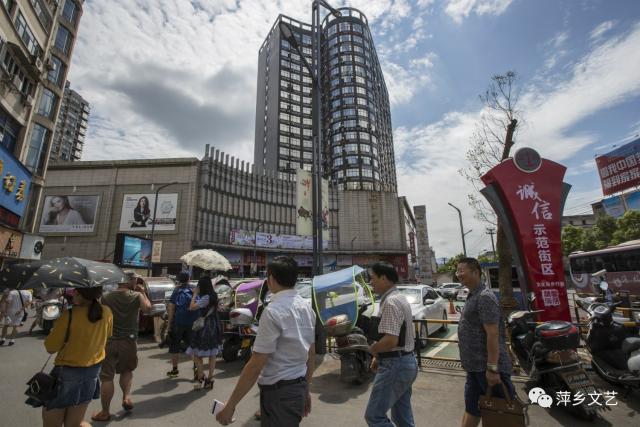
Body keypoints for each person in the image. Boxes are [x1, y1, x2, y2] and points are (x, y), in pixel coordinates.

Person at [217, 256, 315, 426]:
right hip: (296, 388)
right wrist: (305, 388)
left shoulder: (273, 311)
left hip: (280, 394)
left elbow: (256, 364)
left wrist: (230, 405)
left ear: (270, 279)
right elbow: (311, 353)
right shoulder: (306, 307)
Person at [456, 257, 514, 427]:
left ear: (476, 272)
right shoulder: (473, 295)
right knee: (472, 408)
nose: (458, 274)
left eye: (462, 270)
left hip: (487, 370)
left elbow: (493, 334)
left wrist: (493, 368)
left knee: (502, 413)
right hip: (474, 368)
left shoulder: (484, 297)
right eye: (457, 271)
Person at [42, 287, 113, 427]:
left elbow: (50, 348)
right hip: (92, 373)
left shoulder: (69, 315)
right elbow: (107, 336)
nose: (73, 293)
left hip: (66, 374)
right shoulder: (107, 312)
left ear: (81, 294)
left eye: (76, 291)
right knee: (74, 423)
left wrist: (55, 330)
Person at [91, 272, 151, 422]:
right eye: (135, 280)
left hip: (109, 341)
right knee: (127, 370)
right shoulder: (136, 296)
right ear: (129, 281)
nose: (137, 282)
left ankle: (105, 412)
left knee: (107, 377)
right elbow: (147, 309)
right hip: (129, 341)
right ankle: (126, 397)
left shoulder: (106, 296)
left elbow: (96, 314)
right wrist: (142, 292)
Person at [365, 261, 417, 427]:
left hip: (396, 365)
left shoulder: (391, 302)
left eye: (372, 278)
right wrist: (379, 356)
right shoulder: (398, 298)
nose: (370, 282)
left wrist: (373, 350)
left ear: (384, 278)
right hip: (404, 361)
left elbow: (390, 340)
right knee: (402, 417)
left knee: (374, 416)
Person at [187, 276, 223, 390]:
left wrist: (194, 294)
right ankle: (210, 379)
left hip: (205, 327)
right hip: (214, 325)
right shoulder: (214, 295)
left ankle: (201, 376)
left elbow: (191, 307)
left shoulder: (206, 298)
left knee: (197, 354)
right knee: (212, 355)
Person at [166, 271, 199, 378]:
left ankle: (175, 370)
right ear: (189, 278)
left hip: (178, 323)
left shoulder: (177, 290)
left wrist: (169, 324)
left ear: (179, 279)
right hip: (192, 323)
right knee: (192, 347)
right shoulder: (194, 289)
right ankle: (197, 369)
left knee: (174, 346)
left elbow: (171, 308)